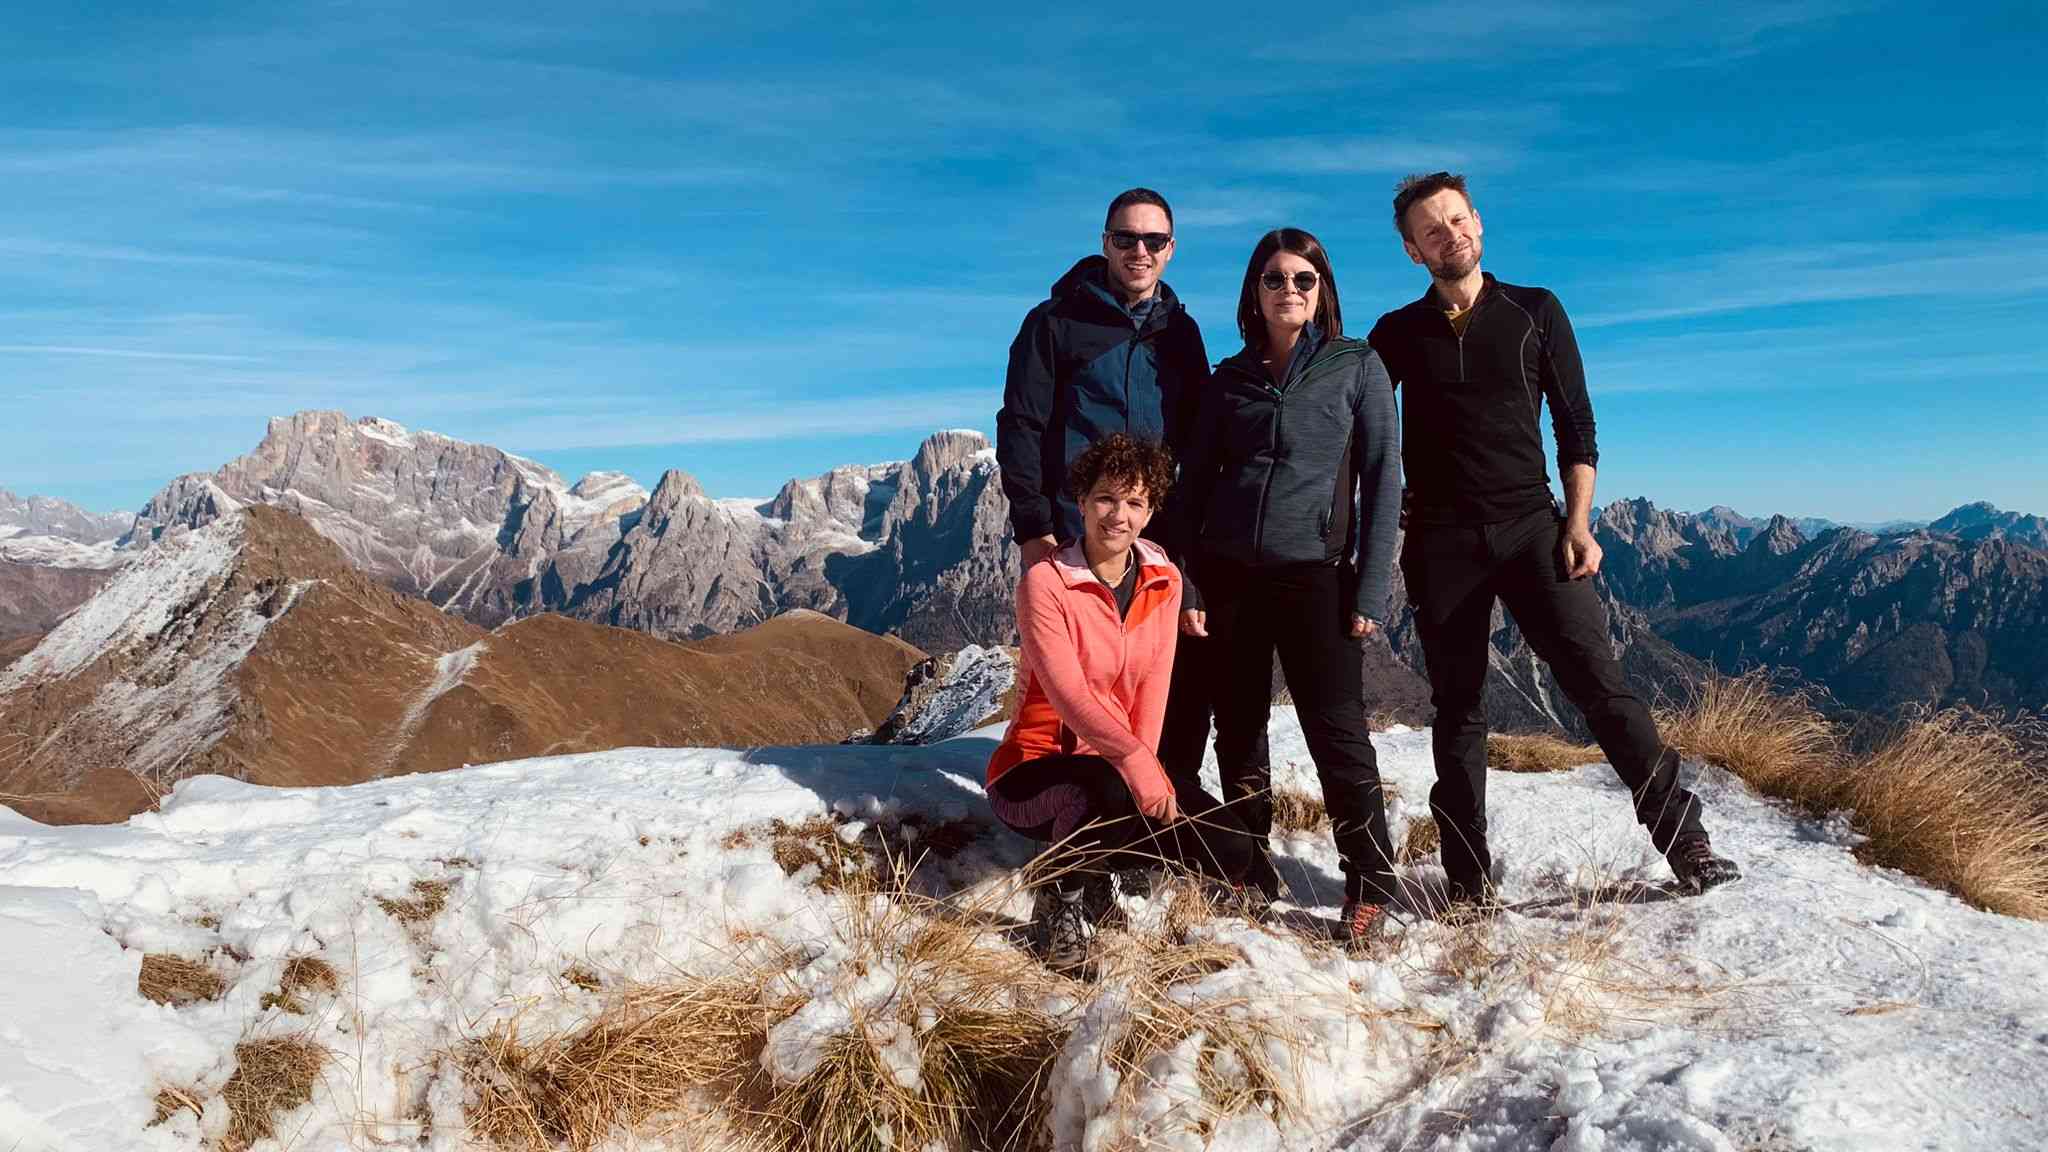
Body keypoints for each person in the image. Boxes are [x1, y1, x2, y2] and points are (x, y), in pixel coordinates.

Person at [1366, 172, 1741, 908]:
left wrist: (1578, 522)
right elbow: (1362, 425)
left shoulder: (1535, 311)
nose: (1450, 236)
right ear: (1413, 250)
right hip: (1440, 542)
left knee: (1601, 686)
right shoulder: (1396, 333)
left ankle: (1686, 842)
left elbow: (1576, 425)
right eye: (1431, 230)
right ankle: (1467, 881)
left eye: (1457, 219)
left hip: (1532, 529)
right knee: (1459, 710)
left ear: (1478, 222)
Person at [1171, 228, 1404, 944]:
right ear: (1255, 291)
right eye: (1274, 279)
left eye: (1303, 279)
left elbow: (1383, 480)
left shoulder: (1356, 365)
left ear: (1322, 289)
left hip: (1316, 577)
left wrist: (1370, 591)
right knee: (1239, 729)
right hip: (1229, 578)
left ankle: (1370, 884)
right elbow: (1192, 489)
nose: (1289, 290)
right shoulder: (1229, 379)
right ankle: (1248, 867)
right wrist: (1191, 584)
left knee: (1337, 734)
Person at [995, 187, 1264, 786]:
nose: (1139, 250)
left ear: (1170, 249)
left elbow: (1195, 438)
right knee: (1070, 680)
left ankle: (1158, 792)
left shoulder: (1180, 332)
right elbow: (1021, 425)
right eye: (1126, 238)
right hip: (1074, 533)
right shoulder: (1054, 323)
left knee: (1158, 674)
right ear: (1105, 243)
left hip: (1157, 537)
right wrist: (1034, 527)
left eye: (1153, 240)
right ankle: (1061, 801)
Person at [987, 434, 1278, 972]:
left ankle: (1098, 865)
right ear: (1081, 501)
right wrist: (1136, 765)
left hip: (1116, 767)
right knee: (1104, 790)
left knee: (1231, 847)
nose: (1118, 515)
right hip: (1033, 769)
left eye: (1134, 502)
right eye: (1105, 498)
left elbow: (1153, 686)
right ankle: (1057, 904)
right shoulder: (1046, 583)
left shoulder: (1164, 579)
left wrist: (1147, 773)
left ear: (1150, 512)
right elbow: (1069, 697)